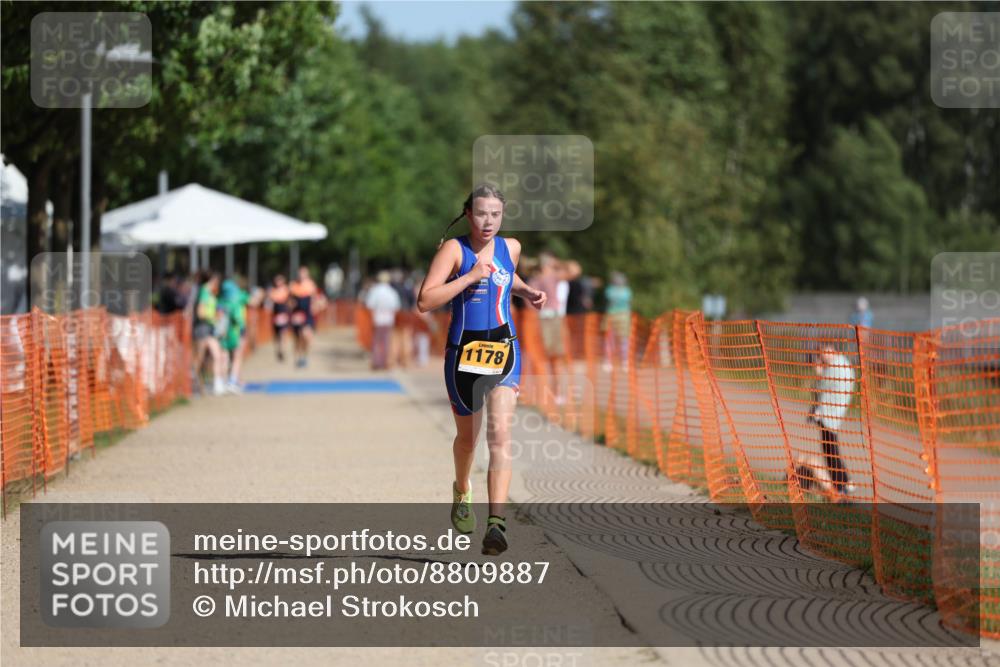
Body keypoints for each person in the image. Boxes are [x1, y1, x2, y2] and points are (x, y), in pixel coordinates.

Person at [417, 184, 546, 556]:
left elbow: (507, 279)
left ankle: (497, 525)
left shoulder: (513, 248)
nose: (488, 221)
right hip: (463, 356)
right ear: (469, 214)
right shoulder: (454, 250)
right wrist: (471, 277)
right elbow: (426, 300)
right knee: (467, 441)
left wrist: (528, 292)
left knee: (501, 435)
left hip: (505, 351)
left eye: (496, 214)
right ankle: (461, 489)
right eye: (481, 213)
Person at [802, 345, 857, 501]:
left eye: (823, 353)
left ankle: (841, 485)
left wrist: (819, 371)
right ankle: (845, 481)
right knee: (831, 448)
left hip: (829, 414)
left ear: (831, 350)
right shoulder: (845, 364)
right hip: (835, 412)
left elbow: (820, 387)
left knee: (830, 450)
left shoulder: (835, 367)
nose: (822, 357)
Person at [192, 272, 226, 396]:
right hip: (202, 329)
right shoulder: (204, 293)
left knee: (217, 355)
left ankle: (217, 383)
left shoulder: (211, 294)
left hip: (210, 329)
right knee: (199, 358)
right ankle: (193, 383)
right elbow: (201, 313)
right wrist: (214, 316)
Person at [218, 278, 249, 392]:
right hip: (237, 331)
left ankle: (223, 381)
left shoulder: (221, 299)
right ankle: (232, 381)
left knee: (224, 356)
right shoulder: (239, 296)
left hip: (223, 331)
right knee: (237, 356)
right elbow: (251, 299)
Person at [365, 271, 401, 370]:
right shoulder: (392, 291)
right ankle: (385, 362)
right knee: (386, 342)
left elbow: (370, 305)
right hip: (388, 320)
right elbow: (396, 307)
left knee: (376, 342)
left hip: (378, 319)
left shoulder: (375, 290)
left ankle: (376, 362)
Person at [290, 266, 319, 368]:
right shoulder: (293, 286)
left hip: (307, 315)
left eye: (304, 273)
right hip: (297, 314)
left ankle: (305, 357)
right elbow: (290, 301)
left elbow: (315, 299)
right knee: (297, 338)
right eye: (300, 273)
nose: (302, 275)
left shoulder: (311, 285)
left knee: (306, 336)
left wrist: (315, 306)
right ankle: (298, 358)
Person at [604, 271, 633, 369]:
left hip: (623, 315)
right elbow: (611, 298)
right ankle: (608, 360)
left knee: (624, 339)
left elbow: (627, 302)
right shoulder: (610, 290)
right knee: (610, 339)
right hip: (612, 315)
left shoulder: (626, 291)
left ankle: (625, 360)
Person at [267, 274, 291, 362]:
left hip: (283, 315)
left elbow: (289, 302)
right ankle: (278, 349)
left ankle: (282, 350)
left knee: (283, 333)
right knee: (276, 335)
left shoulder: (286, 290)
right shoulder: (272, 291)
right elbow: (269, 303)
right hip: (275, 316)